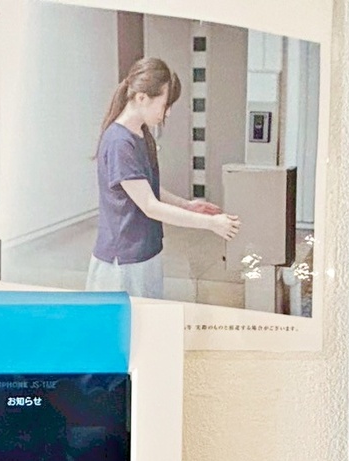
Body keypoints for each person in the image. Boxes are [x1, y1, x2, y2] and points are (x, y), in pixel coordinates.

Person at [87, 58, 240, 300]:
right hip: (123, 261)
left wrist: (185, 205)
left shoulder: (141, 134)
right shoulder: (119, 142)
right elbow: (150, 206)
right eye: (165, 105)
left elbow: (148, 188)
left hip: (145, 252)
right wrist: (211, 224)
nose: (167, 112)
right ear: (141, 98)